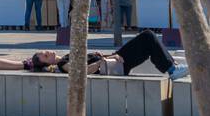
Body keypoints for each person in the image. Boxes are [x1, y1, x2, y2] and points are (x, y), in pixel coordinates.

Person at [25, 30, 189, 79]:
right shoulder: (63, 65)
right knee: (148, 37)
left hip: (113, 60)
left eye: (44, 51)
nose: (47, 52)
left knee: (149, 40)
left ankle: (172, 68)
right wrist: (105, 59)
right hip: (110, 66)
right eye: (45, 56)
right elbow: (82, 72)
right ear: (49, 64)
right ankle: (172, 70)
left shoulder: (66, 57)